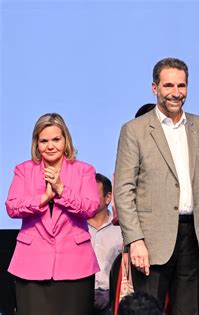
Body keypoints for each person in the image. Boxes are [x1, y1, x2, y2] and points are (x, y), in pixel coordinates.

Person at [113, 57, 199, 314]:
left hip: (193, 237)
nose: (176, 93)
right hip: (151, 240)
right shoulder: (134, 130)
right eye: (169, 86)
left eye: (182, 86)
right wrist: (135, 240)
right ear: (155, 88)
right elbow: (123, 190)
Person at [5, 113, 100, 315]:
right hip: (31, 266)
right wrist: (44, 198)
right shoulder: (23, 170)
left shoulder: (84, 170)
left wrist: (62, 190)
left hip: (75, 266)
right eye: (44, 141)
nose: (50, 146)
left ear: (66, 140)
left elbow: (91, 207)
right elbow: (12, 207)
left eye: (56, 139)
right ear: (36, 144)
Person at [88, 173, 123, 314]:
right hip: (81, 294)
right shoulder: (75, 227)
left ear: (108, 198)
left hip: (112, 297)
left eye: (93, 194)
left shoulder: (121, 228)